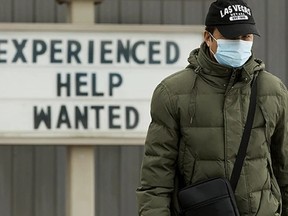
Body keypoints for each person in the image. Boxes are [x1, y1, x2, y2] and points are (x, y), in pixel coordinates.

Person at [136, 0, 288, 215]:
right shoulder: (172, 92)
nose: (240, 43)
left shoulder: (272, 90)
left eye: (246, 37)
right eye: (231, 37)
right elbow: (155, 180)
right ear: (208, 37)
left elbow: (285, 169)